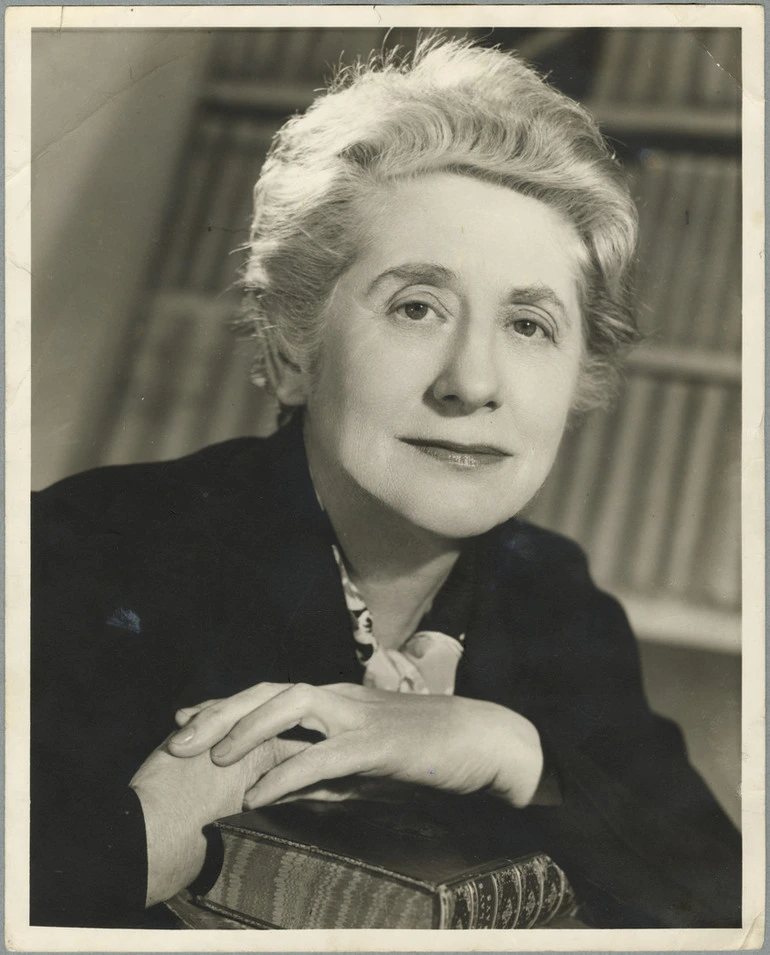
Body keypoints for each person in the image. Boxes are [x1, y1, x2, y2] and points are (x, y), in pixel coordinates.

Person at [31, 37, 741, 930]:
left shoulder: (559, 601)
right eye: (417, 306)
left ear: (579, 380)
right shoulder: (77, 554)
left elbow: (729, 910)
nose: (472, 382)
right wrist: (133, 844)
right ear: (294, 346)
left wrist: (512, 748)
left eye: (529, 324)